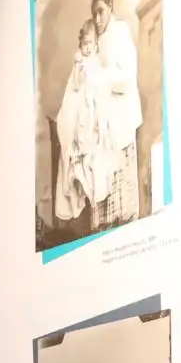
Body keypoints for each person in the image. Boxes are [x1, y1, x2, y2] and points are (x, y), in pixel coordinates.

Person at [87, 0, 143, 228]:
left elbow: (128, 75)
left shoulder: (121, 31)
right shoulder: (95, 42)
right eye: (94, 14)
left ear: (110, 6)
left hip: (121, 123)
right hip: (104, 130)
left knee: (123, 210)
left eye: (101, 11)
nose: (97, 18)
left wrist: (101, 80)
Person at [52, 21, 111, 228]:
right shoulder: (79, 62)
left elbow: (100, 88)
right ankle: (77, 179)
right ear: (81, 44)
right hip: (78, 108)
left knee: (94, 149)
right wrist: (80, 71)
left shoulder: (96, 63)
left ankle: (91, 193)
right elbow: (75, 86)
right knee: (75, 131)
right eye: (84, 44)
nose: (87, 47)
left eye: (91, 43)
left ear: (96, 44)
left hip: (91, 109)